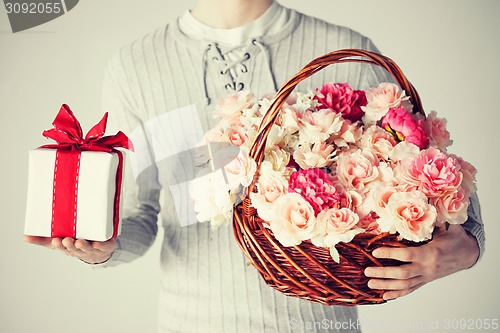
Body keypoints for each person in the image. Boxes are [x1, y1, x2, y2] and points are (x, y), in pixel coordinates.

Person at [25, 0, 484, 332]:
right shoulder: (135, 67)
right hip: (190, 324)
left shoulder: (344, 50)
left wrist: (462, 250)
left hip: (320, 327)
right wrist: (102, 249)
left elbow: (454, 198)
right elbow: (139, 217)